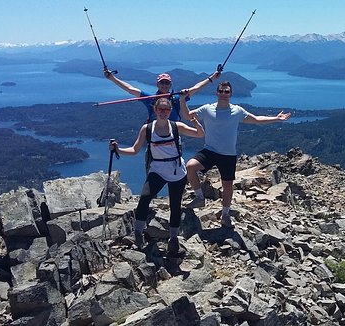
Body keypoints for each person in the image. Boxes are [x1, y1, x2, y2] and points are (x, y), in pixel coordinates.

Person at [180, 81, 291, 227]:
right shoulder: (207, 109)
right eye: (221, 91)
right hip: (210, 150)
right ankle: (200, 197)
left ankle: (225, 214)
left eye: (226, 92)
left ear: (230, 94)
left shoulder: (237, 111)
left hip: (228, 154)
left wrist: (276, 119)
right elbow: (187, 116)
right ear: (217, 93)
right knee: (190, 167)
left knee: (227, 186)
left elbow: (256, 119)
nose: (224, 94)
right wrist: (182, 99)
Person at [109, 97, 204, 254]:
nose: (163, 113)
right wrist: (118, 150)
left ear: (170, 111)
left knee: (175, 205)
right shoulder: (147, 129)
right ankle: (138, 233)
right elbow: (134, 149)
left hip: (177, 171)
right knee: (145, 198)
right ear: (155, 110)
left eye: (166, 110)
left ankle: (173, 240)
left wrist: (196, 123)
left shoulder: (176, 126)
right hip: (158, 170)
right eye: (160, 109)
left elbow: (200, 135)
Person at [104, 68, 221, 122]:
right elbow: (130, 89)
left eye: (166, 83)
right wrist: (112, 78)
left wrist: (212, 78)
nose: (164, 85)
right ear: (157, 84)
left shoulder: (177, 98)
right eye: (162, 83)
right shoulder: (150, 99)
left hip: (173, 135)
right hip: (154, 137)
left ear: (170, 84)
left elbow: (196, 88)